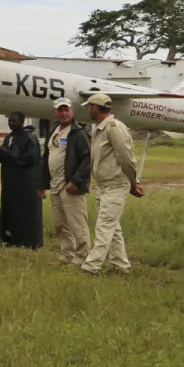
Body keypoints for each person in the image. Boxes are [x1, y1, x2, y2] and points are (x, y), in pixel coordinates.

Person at [79, 93, 144, 276]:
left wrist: (133, 182)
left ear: (96, 107)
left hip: (116, 184)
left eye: (89, 106)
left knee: (104, 225)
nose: (87, 109)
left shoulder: (114, 127)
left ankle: (91, 267)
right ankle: (121, 266)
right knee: (112, 226)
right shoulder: (100, 128)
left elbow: (125, 158)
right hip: (105, 185)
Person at [35, 97, 92, 265]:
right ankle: (67, 255)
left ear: (72, 111)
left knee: (77, 224)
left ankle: (83, 257)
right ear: (55, 112)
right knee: (61, 224)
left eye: (66, 109)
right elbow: (46, 159)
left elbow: (88, 159)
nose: (64, 113)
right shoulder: (53, 131)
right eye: (60, 110)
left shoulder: (78, 133)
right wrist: (42, 184)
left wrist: (75, 181)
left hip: (70, 186)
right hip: (54, 186)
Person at [0, 111, 44, 249]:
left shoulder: (29, 138)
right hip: (9, 182)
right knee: (10, 210)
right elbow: (5, 158)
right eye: (9, 121)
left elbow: (30, 158)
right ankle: (9, 239)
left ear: (22, 121)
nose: (11, 124)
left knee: (25, 212)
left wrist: (7, 153)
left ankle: (28, 242)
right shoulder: (9, 138)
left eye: (14, 121)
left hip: (25, 182)